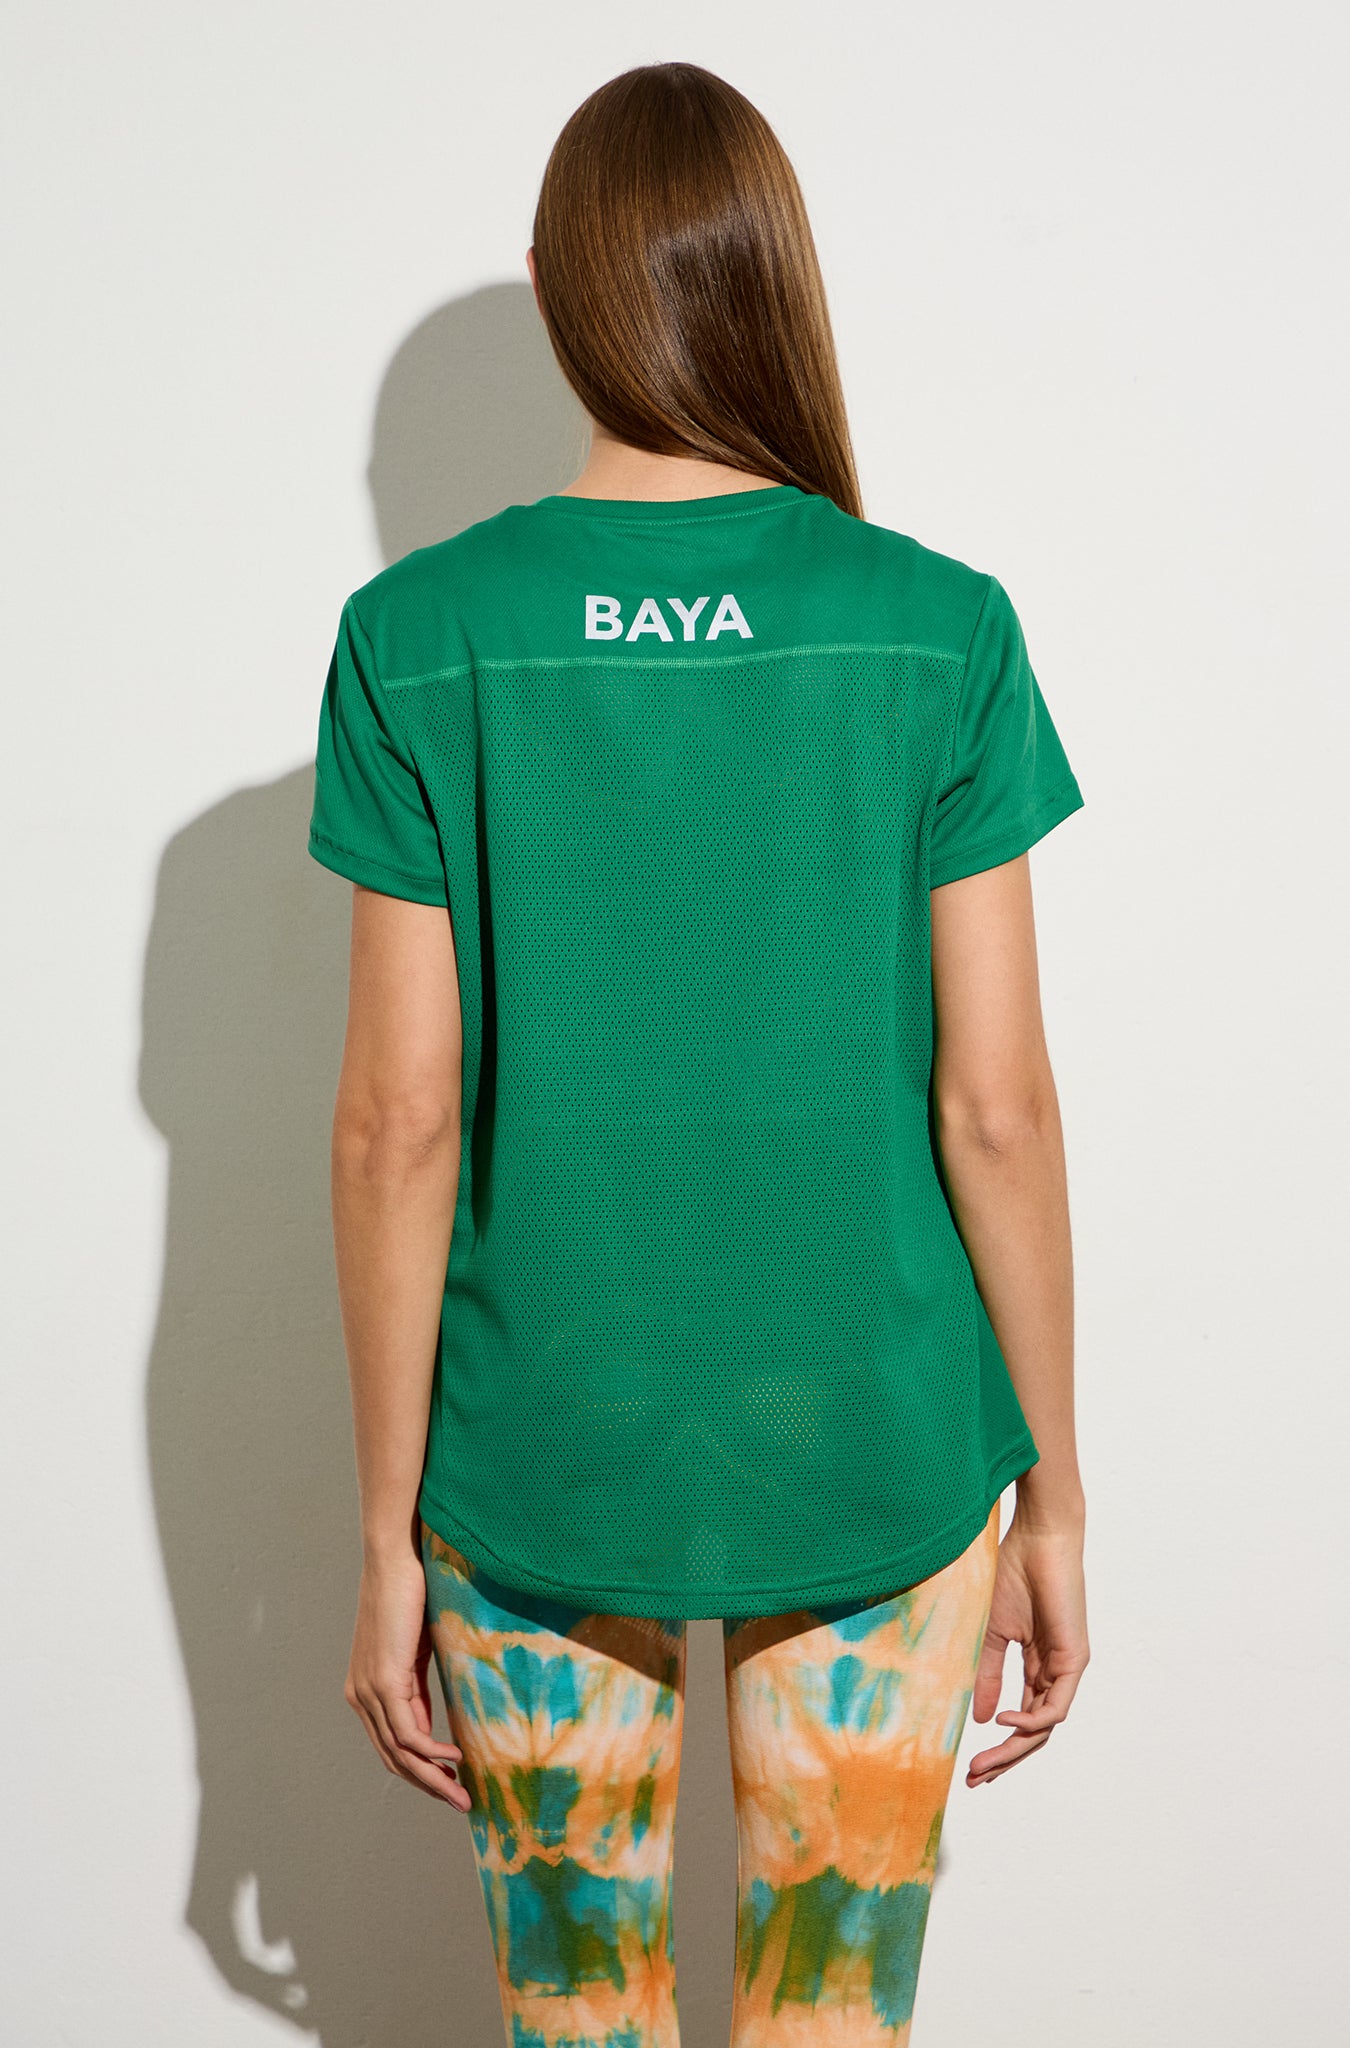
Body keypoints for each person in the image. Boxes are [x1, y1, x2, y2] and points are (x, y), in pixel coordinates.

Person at [308, 59, 1089, 2048]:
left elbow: (397, 1121)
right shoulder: (937, 628)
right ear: (771, 279)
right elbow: (995, 1106)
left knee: (581, 2023)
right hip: (878, 1438)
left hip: (538, 1443)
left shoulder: (418, 635)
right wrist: (1057, 1499)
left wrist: (385, 1531)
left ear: (563, 291)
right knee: (830, 2022)